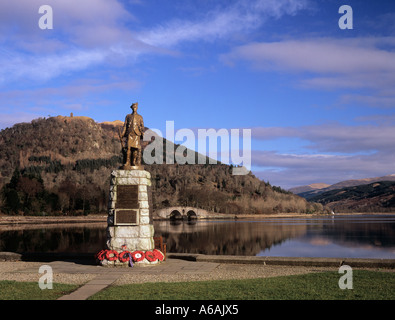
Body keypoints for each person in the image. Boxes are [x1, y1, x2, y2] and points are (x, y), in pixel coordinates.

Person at [119, 102, 144, 168]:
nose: (134, 108)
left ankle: (133, 162)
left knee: (135, 149)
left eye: (135, 107)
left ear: (137, 108)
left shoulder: (140, 117)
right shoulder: (128, 116)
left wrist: (141, 130)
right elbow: (125, 126)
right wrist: (123, 133)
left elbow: (142, 126)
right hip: (129, 133)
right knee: (128, 148)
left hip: (136, 134)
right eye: (133, 107)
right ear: (132, 108)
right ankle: (127, 162)